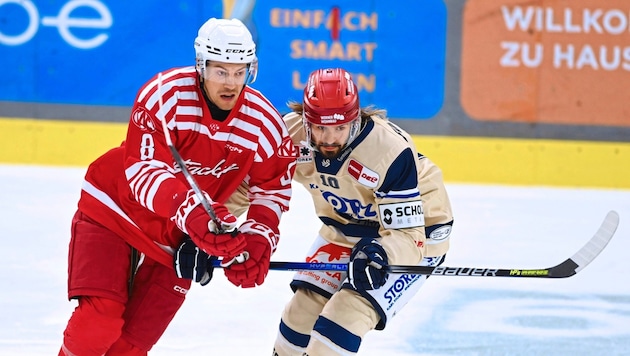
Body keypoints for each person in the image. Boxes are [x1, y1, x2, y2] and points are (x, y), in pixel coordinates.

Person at [59, 18, 295, 355]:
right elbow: (142, 171)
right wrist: (194, 215)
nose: (230, 83)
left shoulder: (263, 123)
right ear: (201, 66)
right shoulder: (164, 95)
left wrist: (259, 235)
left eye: (239, 72)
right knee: (98, 323)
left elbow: (271, 189)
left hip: (179, 237)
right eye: (220, 71)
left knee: (131, 345)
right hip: (116, 210)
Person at [270, 68, 454, 355]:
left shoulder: (388, 151)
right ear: (306, 121)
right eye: (319, 128)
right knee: (299, 316)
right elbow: (248, 189)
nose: (329, 139)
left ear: (355, 119)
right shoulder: (289, 135)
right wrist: (212, 227)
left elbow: (409, 236)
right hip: (345, 229)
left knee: (342, 321)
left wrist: (383, 253)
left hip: (415, 236)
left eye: (340, 128)